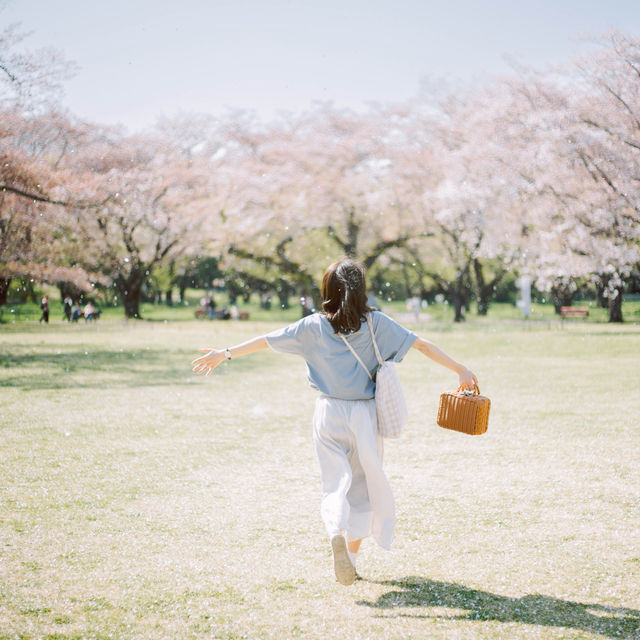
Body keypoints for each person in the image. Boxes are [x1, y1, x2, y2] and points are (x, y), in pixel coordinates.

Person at [191, 259, 478, 587]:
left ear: (326, 291)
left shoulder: (311, 326)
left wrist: (223, 353)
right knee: (362, 486)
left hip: (328, 413)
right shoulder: (377, 324)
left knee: (334, 483)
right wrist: (460, 369)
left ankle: (334, 533)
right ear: (361, 290)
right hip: (364, 416)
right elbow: (422, 344)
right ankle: (351, 561)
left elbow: (265, 340)